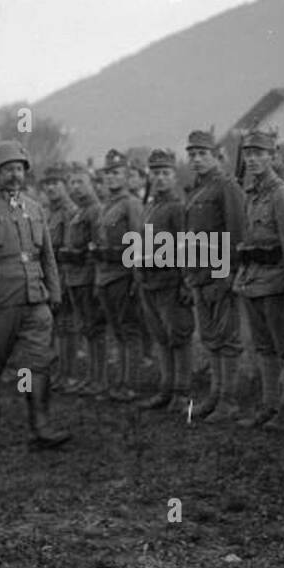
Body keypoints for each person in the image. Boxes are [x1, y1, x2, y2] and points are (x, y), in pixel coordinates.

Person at [0, 140, 71, 452]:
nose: (14, 175)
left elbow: (47, 255)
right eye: (7, 170)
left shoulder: (35, 209)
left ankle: (40, 428)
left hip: (36, 297)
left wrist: (54, 293)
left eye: (19, 169)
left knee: (38, 362)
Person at [233, 129, 284, 429]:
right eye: (248, 154)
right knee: (263, 347)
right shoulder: (252, 194)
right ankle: (269, 405)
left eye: (259, 154)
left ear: (273, 157)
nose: (252, 160)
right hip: (254, 281)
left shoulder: (282, 194)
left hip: (277, 282)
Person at [184, 129, 246, 422]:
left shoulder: (227, 187)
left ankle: (229, 401)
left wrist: (227, 274)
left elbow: (235, 233)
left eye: (202, 154)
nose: (196, 160)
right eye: (192, 155)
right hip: (199, 275)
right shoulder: (196, 190)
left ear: (216, 156)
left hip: (219, 274)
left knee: (228, 339)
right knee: (210, 338)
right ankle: (215, 395)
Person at [136, 148, 195, 410]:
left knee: (178, 336)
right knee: (160, 337)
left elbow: (187, 246)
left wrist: (186, 282)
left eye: (165, 173)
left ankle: (182, 392)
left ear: (174, 176)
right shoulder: (149, 206)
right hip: (149, 281)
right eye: (155, 173)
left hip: (171, 280)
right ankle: (166, 388)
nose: (159, 178)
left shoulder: (178, 207)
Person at [94, 149, 145, 401]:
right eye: (108, 173)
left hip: (123, 275)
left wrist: (137, 277)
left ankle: (130, 384)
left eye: (116, 173)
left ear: (126, 176)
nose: (111, 178)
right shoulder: (106, 205)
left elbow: (138, 241)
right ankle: (120, 381)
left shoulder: (131, 204)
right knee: (117, 331)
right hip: (105, 275)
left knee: (129, 330)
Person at [61, 166, 107, 396]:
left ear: (90, 184)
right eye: (72, 183)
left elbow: (98, 247)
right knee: (86, 329)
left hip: (88, 277)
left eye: (80, 182)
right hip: (74, 278)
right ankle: (90, 377)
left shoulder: (95, 210)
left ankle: (100, 379)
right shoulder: (77, 212)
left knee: (95, 329)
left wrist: (95, 276)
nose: (75, 187)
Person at [40, 164, 78, 390]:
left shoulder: (70, 211)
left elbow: (67, 247)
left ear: (65, 186)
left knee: (68, 325)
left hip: (65, 273)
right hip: (51, 275)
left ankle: (70, 373)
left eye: (56, 183)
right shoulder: (48, 212)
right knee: (59, 326)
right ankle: (62, 372)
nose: (51, 188)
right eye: (48, 184)